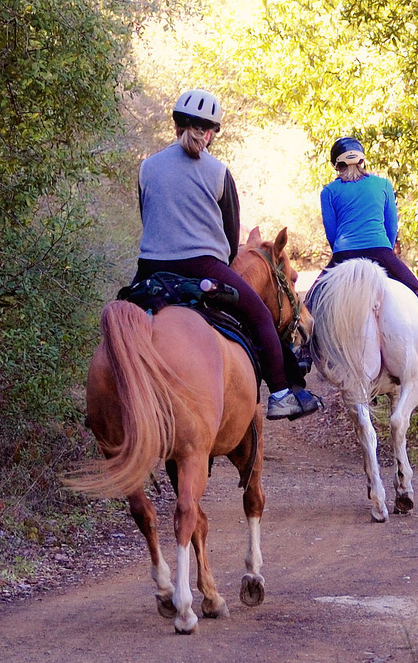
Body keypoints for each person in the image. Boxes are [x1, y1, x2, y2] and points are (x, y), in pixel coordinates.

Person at [133, 87, 321, 421]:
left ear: (176, 127)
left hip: (150, 269)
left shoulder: (147, 168)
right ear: (210, 134)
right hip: (204, 267)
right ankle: (280, 394)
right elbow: (230, 235)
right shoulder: (219, 173)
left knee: (121, 316)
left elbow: (148, 216)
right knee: (261, 316)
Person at [317, 136, 418, 363]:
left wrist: (343, 254)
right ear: (362, 161)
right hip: (381, 251)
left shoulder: (329, 192)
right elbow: (391, 226)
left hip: (344, 254)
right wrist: (386, 251)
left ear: (336, 164)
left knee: (314, 297)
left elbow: (331, 233)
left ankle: (304, 352)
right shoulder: (383, 185)